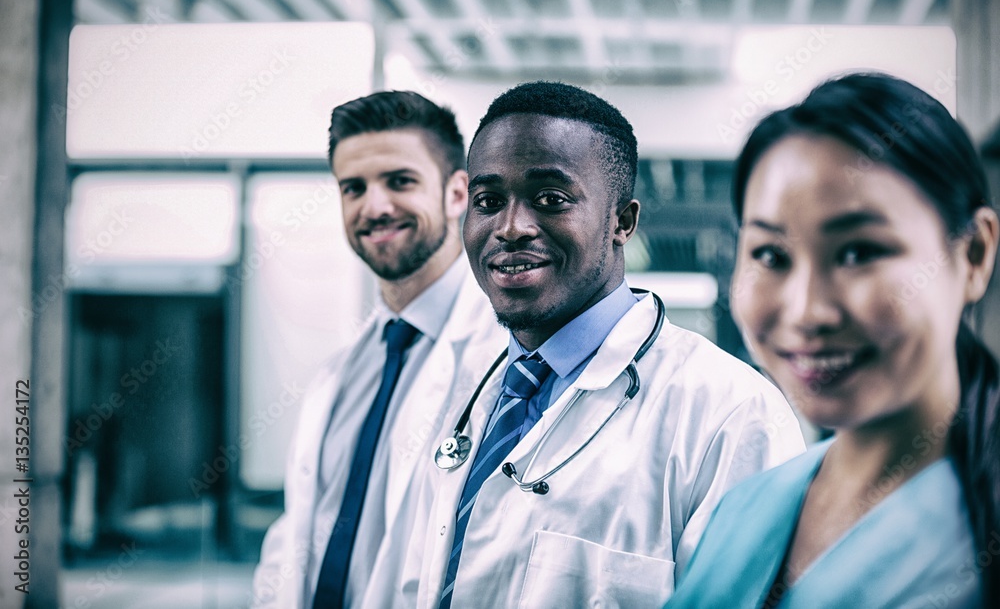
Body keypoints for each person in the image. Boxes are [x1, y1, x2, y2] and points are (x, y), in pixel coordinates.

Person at [390, 81, 804, 608]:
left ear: (622, 222)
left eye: (551, 199)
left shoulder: (732, 414)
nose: (511, 227)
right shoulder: (463, 393)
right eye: (488, 201)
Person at [668, 73, 1000, 608]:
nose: (806, 312)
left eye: (859, 252)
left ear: (974, 254)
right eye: (770, 256)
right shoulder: (747, 506)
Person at [250, 91, 505, 608]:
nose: (375, 206)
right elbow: (299, 530)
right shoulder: (349, 368)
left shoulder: (506, 356)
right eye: (353, 187)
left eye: (400, 181)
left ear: (458, 194)